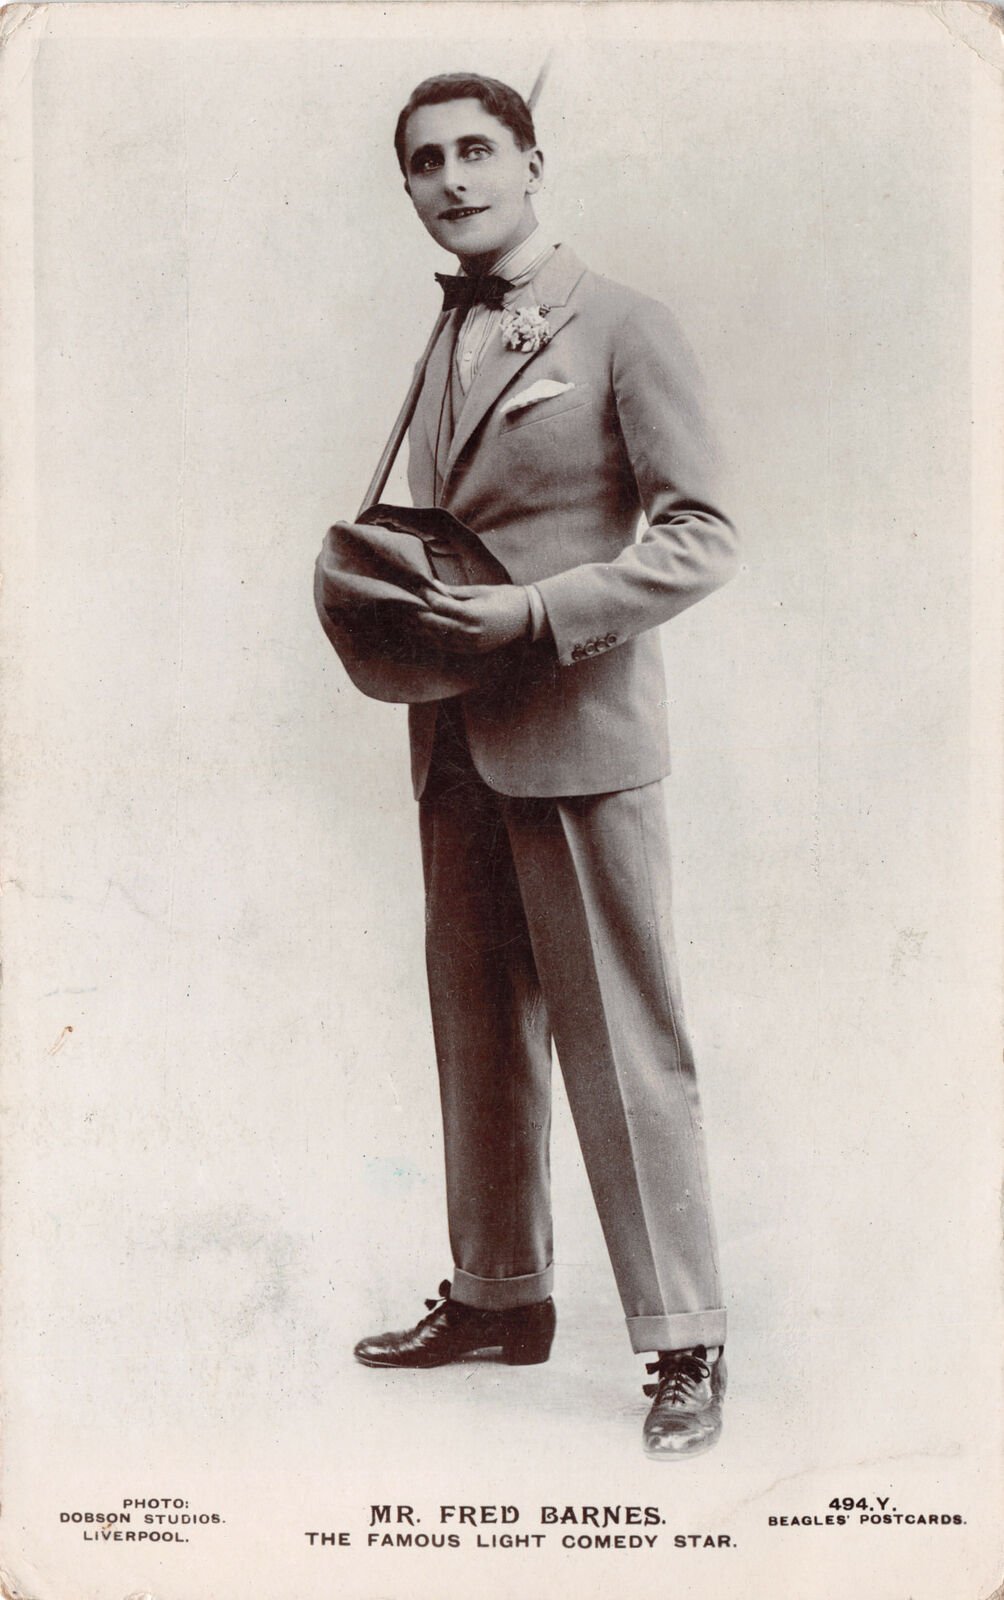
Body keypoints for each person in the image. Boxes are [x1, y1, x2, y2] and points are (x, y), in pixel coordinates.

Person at [321, 71, 739, 1457]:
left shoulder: (626, 323)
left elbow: (702, 536)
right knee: (478, 1026)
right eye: (424, 161)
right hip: (450, 732)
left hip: (581, 730)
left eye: (477, 150)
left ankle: (685, 1340)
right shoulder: (444, 330)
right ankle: (501, 1297)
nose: (452, 179)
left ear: (533, 162)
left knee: (623, 1041)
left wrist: (542, 616)